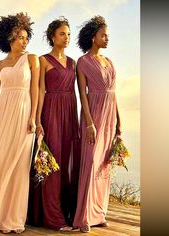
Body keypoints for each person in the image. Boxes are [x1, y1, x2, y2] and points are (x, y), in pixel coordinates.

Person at [0, 12, 39, 234]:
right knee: (0, 164)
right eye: (20, 37)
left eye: (26, 37)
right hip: (3, 116)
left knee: (19, 168)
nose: (24, 41)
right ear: (8, 38)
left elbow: (35, 90)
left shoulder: (32, 60)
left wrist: (33, 117)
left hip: (24, 115)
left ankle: (13, 219)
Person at [27, 16, 80, 232]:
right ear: (52, 36)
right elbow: (40, 90)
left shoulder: (73, 62)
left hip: (69, 112)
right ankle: (53, 218)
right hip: (51, 112)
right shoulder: (43, 60)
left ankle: (68, 214)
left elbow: (76, 93)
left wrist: (77, 120)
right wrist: (38, 119)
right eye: (62, 33)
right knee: (52, 165)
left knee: (67, 166)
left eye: (68, 34)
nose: (66, 37)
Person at [73, 15, 122, 233]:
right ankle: (83, 216)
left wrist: (119, 120)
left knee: (104, 164)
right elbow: (82, 94)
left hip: (110, 114)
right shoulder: (83, 62)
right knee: (91, 161)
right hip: (94, 113)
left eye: (108, 35)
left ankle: (99, 213)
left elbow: (113, 93)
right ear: (93, 37)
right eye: (103, 35)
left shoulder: (109, 61)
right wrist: (89, 123)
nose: (107, 38)